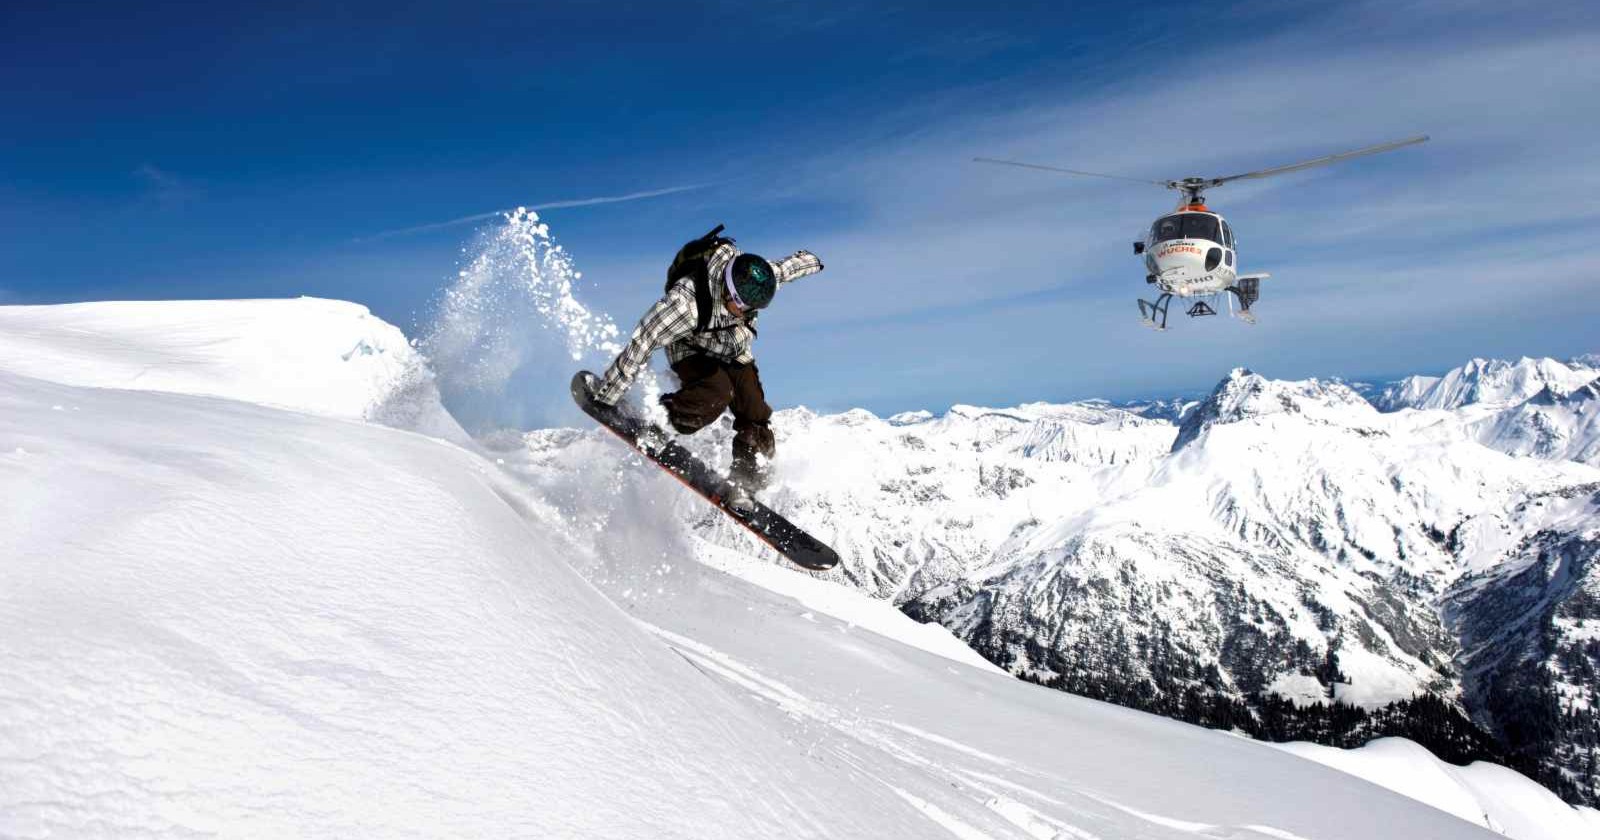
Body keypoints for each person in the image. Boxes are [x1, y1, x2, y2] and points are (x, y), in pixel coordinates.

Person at [585, 233, 824, 511]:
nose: (747, 312)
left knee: (755, 412)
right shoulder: (684, 304)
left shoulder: (755, 282)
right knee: (717, 392)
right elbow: (643, 341)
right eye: (743, 306)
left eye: (754, 308)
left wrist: (813, 261)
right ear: (728, 291)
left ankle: (745, 482)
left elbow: (786, 269)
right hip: (691, 349)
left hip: (732, 350)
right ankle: (665, 418)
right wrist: (606, 395)